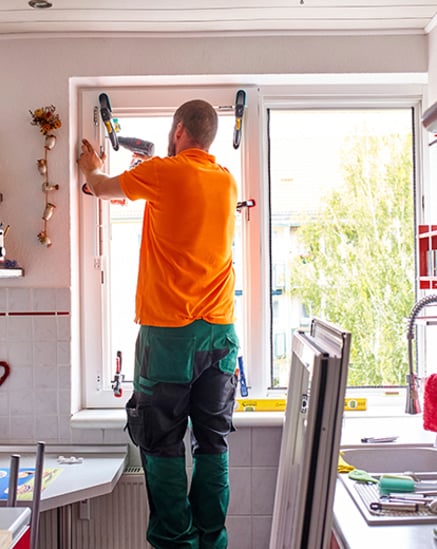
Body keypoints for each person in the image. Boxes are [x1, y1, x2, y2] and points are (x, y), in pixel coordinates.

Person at [77, 99, 239, 549]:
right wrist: (151, 166)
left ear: (180, 129)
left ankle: (175, 543)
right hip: (221, 335)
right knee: (213, 444)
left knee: (163, 443)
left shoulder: (164, 174)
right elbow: (180, 188)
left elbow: (103, 187)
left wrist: (92, 166)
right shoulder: (225, 180)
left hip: (169, 336)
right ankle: (212, 540)